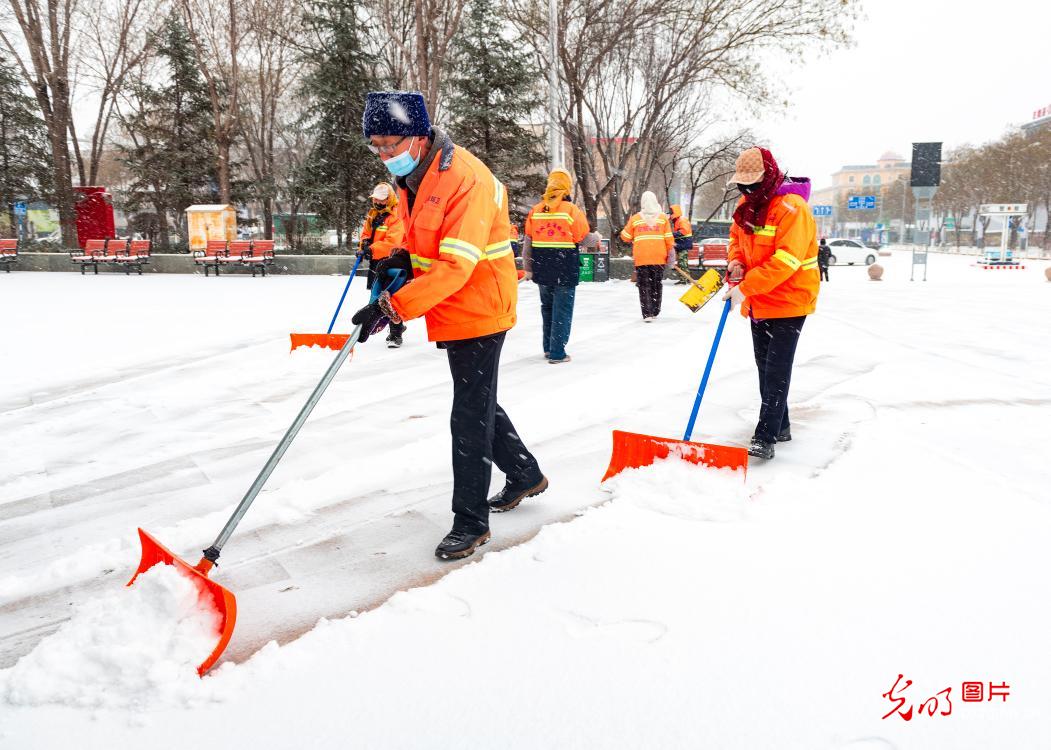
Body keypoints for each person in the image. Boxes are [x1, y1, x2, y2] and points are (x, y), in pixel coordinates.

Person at [352, 91, 547, 560]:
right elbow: (418, 233)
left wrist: (393, 307)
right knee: (477, 397)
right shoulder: (413, 175)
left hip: (480, 301)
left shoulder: (466, 179)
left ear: (418, 136)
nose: (383, 155)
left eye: (389, 144)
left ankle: (470, 521)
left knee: (469, 413)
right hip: (448, 300)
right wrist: (398, 259)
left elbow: (457, 264)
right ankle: (524, 474)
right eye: (375, 146)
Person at [721, 146, 819, 460]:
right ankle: (782, 425)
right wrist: (736, 262)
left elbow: (786, 261)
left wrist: (745, 288)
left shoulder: (792, 208)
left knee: (776, 369)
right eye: (743, 185)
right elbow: (736, 239)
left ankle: (766, 436)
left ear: (769, 176)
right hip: (760, 299)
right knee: (764, 367)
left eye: (752, 184)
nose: (747, 190)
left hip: (791, 298)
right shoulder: (747, 204)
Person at [523, 168, 591, 363]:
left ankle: (548, 347)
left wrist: (528, 268)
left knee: (547, 307)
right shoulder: (571, 210)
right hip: (564, 266)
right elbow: (584, 238)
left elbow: (528, 242)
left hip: (542, 266)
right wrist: (596, 238)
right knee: (562, 309)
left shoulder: (536, 210)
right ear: (567, 186)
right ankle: (557, 352)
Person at [359, 182, 407, 347]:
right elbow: (366, 232)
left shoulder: (396, 215)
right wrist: (364, 243)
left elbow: (393, 241)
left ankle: (396, 333)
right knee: (376, 294)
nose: (378, 203)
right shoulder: (373, 214)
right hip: (376, 261)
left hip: (391, 262)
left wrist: (372, 250)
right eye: (376, 199)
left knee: (391, 296)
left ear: (390, 198)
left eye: (382, 200)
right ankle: (381, 323)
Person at [620, 191, 675, 321]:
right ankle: (655, 311)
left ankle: (647, 313)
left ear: (643, 203)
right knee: (656, 284)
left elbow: (625, 237)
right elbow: (669, 240)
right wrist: (670, 256)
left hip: (642, 258)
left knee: (644, 285)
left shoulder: (635, 219)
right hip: (658, 258)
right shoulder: (663, 219)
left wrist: (632, 233)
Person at [669, 204, 694, 282]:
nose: (670, 214)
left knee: (682, 262)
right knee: (682, 262)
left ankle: (685, 279)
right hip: (682, 244)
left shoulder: (682, 220)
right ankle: (684, 278)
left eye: (671, 212)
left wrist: (672, 234)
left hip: (684, 244)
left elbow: (683, 231)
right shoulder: (678, 220)